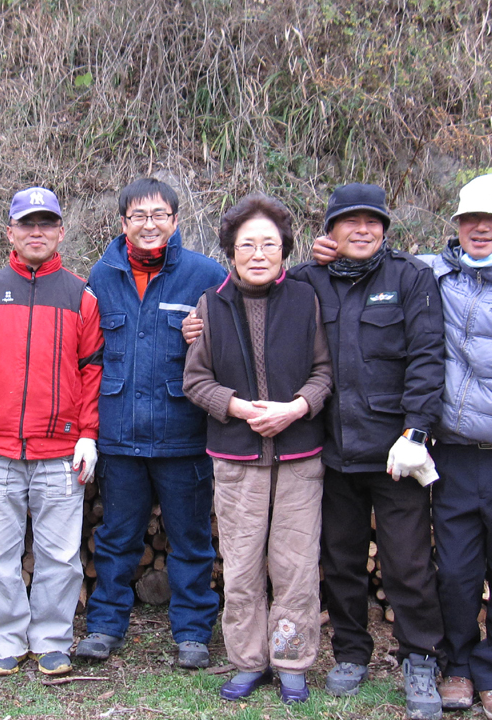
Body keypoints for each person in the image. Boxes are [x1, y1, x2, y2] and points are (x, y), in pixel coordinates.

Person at [312, 174, 492, 720]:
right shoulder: (437, 273)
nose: (479, 229)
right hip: (454, 455)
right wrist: (328, 251)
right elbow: (364, 258)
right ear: (456, 226)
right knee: (456, 571)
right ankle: (456, 667)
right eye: (468, 220)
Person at [296, 184, 446, 720]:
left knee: (407, 563)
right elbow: (250, 293)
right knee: (340, 561)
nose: (363, 230)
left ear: (385, 228)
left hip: (395, 453)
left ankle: (421, 659)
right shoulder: (306, 280)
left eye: (373, 221)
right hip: (331, 450)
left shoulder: (411, 278)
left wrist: (417, 432)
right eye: (349, 222)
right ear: (329, 231)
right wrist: (199, 321)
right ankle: (352, 653)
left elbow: (429, 357)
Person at [183, 192, 332, 704]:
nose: (259, 253)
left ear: (285, 250)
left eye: (270, 243)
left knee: (294, 566)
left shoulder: (305, 299)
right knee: (242, 566)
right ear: (231, 250)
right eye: (248, 244)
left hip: (298, 456)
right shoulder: (211, 305)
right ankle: (247, 660)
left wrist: (294, 409)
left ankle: (290, 661)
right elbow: (196, 381)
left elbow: (324, 373)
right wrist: (242, 408)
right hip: (236, 457)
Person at [0, 186, 104, 677]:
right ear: (10, 233)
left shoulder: (81, 296)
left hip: (60, 452)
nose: (36, 233)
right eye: (26, 224)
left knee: (60, 556)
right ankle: (3, 639)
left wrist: (88, 435)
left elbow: (92, 371)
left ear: (60, 231)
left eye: (46, 224)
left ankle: (52, 639)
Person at [76, 178, 227, 669]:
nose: (149, 224)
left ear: (175, 220)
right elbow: (87, 353)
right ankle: (103, 626)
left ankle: (192, 632)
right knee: (117, 538)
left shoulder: (206, 274)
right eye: (138, 216)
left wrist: (209, 335)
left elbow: (240, 335)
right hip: (119, 435)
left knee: (190, 541)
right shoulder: (100, 277)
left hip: (184, 435)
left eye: (159, 215)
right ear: (122, 223)